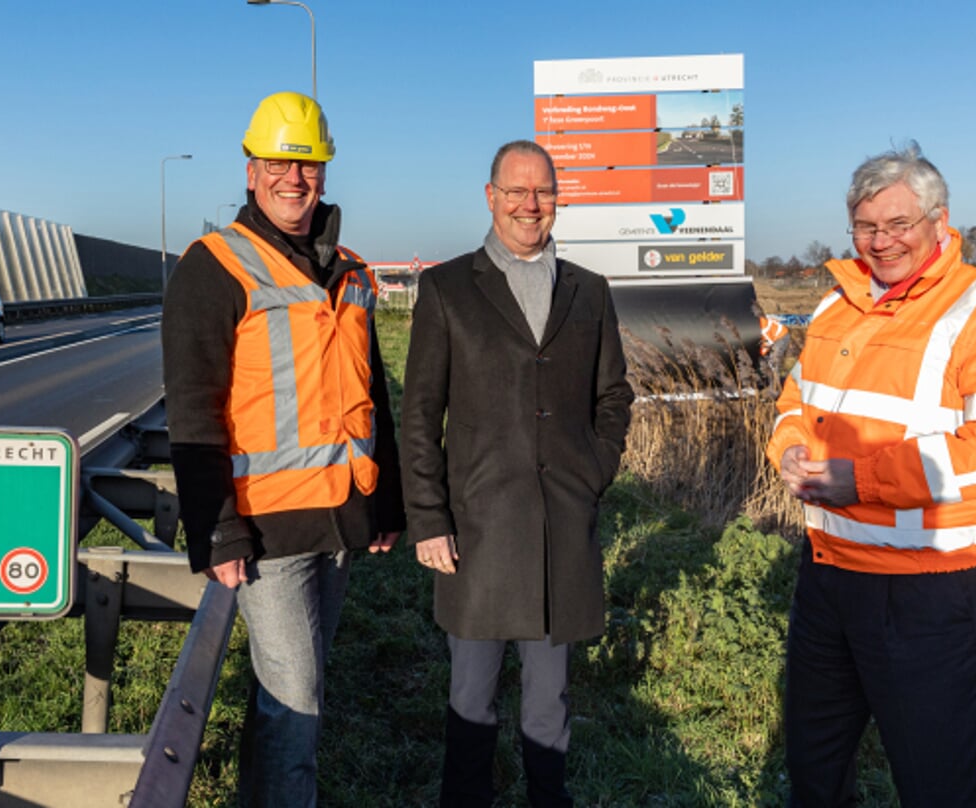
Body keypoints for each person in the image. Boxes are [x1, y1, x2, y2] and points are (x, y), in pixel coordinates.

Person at [767, 142, 976, 807]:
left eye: (898, 224)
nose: (881, 240)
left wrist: (861, 481)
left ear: (938, 219)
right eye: (866, 226)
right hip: (825, 577)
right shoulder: (835, 306)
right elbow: (794, 404)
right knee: (813, 772)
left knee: (942, 785)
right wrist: (785, 449)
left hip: (927, 593)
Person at [161, 90, 404, 807]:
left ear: (324, 172)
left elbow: (372, 395)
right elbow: (193, 407)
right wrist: (218, 529)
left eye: (308, 166)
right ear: (250, 169)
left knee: (299, 697)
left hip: (338, 520)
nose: (292, 180)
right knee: (294, 702)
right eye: (277, 164)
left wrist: (386, 502)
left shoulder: (351, 271)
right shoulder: (215, 266)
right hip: (264, 529)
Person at [400, 139, 634, 807]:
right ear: (491, 197)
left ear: (557, 198)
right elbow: (419, 414)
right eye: (517, 191)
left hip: (561, 528)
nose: (530, 205)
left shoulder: (589, 290)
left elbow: (613, 396)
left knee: (548, 704)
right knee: (470, 701)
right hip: (474, 535)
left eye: (544, 191)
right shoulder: (446, 288)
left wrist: (594, 470)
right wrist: (428, 518)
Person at [753, 300, 789, 387]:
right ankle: (767, 380)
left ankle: (774, 386)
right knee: (766, 361)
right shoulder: (758, 324)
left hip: (781, 337)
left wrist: (760, 354)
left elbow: (767, 343)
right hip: (775, 335)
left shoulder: (764, 330)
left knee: (773, 362)